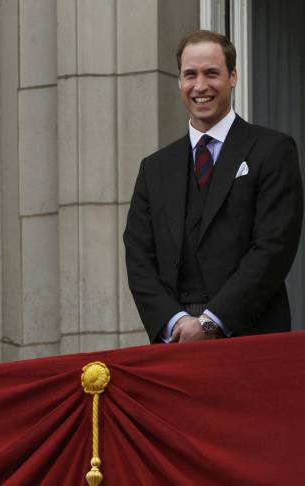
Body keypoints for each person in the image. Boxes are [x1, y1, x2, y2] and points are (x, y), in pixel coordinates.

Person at [123, 30, 303, 344]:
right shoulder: (154, 168)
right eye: (190, 74)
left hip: (251, 338)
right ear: (179, 81)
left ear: (233, 77)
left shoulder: (273, 150)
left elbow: (273, 248)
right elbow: (139, 258)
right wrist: (175, 323)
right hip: (175, 343)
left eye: (212, 73)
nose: (200, 86)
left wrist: (210, 323)